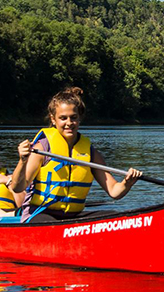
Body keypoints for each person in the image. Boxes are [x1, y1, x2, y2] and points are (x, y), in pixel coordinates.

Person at [9, 87, 142, 220]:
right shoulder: (42, 148)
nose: (69, 123)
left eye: (73, 117)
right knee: (51, 223)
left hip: (72, 216)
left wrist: (127, 183)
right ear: (53, 119)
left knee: (115, 217)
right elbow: (17, 187)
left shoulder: (91, 153)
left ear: (79, 118)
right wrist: (22, 161)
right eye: (63, 118)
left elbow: (114, 191)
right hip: (39, 213)